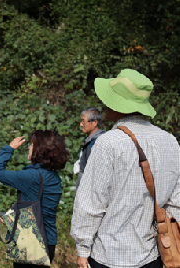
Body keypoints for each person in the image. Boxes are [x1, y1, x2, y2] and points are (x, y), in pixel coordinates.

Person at [70, 69, 180, 268]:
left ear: (119, 107)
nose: (105, 106)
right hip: (152, 255)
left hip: (109, 255)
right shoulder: (170, 141)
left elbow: (91, 203)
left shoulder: (108, 142)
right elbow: (176, 201)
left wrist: (82, 249)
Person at [0, 130, 70, 267]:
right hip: (48, 241)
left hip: (32, 241)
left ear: (40, 150)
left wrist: (9, 148)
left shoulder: (32, 176)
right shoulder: (53, 176)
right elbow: (38, 205)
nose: (29, 147)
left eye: (32, 145)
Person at [75, 107, 105, 190]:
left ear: (95, 123)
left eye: (83, 121)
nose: (81, 124)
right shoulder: (90, 141)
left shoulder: (97, 142)